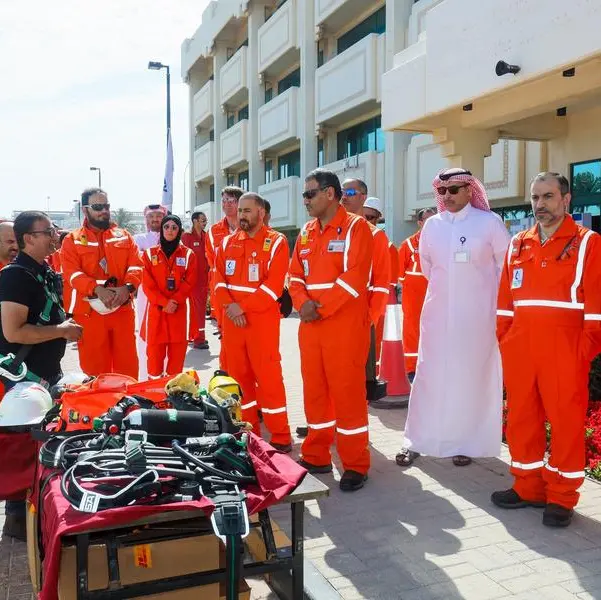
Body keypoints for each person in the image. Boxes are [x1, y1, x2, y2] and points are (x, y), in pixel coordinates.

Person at [492, 172, 601, 528]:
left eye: (548, 197)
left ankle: (561, 497)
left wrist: (581, 353)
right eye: (536, 198)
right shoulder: (518, 243)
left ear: (566, 200)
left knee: (567, 424)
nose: (540, 205)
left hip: (564, 350)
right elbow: (505, 303)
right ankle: (528, 487)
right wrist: (506, 341)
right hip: (521, 348)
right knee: (522, 419)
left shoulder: (588, 243)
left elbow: (596, 310)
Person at [396, 168, 510, 468]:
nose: (447, 196)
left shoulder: (489, 223)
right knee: (430, 376)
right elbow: (426, 268)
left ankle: (467, 443)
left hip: (477, 318)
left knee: (469, 377)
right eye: (442, 191)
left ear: (470, 191)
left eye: (454, 190)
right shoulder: (432, 225)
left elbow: (506, 268)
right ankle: (419, 439)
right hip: (437, 315)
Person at [289, 169, 373, 491]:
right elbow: (294, 275)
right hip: (311, 328)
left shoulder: (356, 228)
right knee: (315, 391)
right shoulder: (307, 233)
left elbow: (355, 277)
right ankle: (316, 455)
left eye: (310, 194)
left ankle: (355, 464)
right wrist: (301, 303)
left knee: (348, 395)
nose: (305, 200)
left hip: (343, 327)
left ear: (330, 194)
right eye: (304, 195)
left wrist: (318, 308)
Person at [0, 211, 82, 540]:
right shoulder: (15, 277)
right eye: (47, 231)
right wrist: (61, 331)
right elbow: (14, 331)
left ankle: (38, 510)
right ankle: (18, 521)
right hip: (25, 379)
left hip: (49, 375)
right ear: (28, 238)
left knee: (43, 447)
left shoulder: (45, 272)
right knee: (22, 449)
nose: (54, 235)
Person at [213, 193, 293, 451]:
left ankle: (280, 436)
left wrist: (242, 308)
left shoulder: (276, 242)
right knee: (239, 380)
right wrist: (232, 309)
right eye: (240, 211)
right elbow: (218, 281)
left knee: (269, 379)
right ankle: (249, 433)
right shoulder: (226, 243)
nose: (242, 215)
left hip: (261, 325)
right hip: (233, 325)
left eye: (248, 211)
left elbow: (273, 287)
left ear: (261, 212)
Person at [61, 188, 143, 378]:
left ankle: (128, 403)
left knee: (127, 366)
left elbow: (136, 266)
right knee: (94, 369)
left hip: (121, 310)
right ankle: (98, 406)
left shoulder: (124, 236)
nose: (104, 211)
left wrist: (128, 287)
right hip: (90, 314)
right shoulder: (71, 240)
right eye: (98, 206)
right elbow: (71, 274)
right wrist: (96, 289)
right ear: (85, 209)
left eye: (106, 206)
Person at [341, 181, 390, 404]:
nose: (344, 196)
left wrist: (369, 319)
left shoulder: (375, 236)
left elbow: (381, 284)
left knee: (357, 378)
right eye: (342, 192)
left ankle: (353, 427)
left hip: (359, 319)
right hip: (330, 316)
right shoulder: (331, 230)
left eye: (350, 192)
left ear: (362, 197)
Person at [141, 215, 197, 377]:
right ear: (161, 229)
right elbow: (147, 284)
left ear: (179, 231)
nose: (170, 230)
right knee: (154, 357)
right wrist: (164, 302)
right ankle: (155, 394)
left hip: (178, 313)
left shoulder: (188, 255)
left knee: (177, 358)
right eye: (166, 227)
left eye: (174, 227)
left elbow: (190, 282)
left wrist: (174, 301)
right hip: (157, 313)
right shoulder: (149, 254)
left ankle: (172, 394)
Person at [206, 186, 243, 368]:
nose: (227, 204)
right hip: (222, 292)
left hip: (244, 291)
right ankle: (226, 372)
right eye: (224, 201)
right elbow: (214, 261)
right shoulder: (214, 231)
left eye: (232, 200)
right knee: (225, 334)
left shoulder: (249, 226)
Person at [397, 207, 436, 379]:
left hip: (435, 293)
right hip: (412, 295)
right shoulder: (408, 244)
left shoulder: (442, 241)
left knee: (435, 328)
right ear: (419, 223)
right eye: (426, 219)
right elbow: (399, 272)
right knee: (412, 329)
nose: (430, 223)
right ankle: (411, 369)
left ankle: (433, 365)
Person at [133, 204, 168, 378]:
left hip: (169, 295)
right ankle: (145, 375)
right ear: (145, 219)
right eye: (151, 216)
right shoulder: (137, 240)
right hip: (146, 295)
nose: (155, 220)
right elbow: (139, 264)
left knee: (168, 334)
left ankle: (167, 375)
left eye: (158, 216)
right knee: (144, 332)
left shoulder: (172, 237)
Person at [181, 211, 210, 349]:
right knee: (198, 309)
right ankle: (199, 339)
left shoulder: (206, 236)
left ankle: (194, 335)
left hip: (204, 278)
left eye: (205, 220)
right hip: (191, 279)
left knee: (197, 309)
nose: (205, 222)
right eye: (202, 220)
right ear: (194, 221)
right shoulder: (186, 237)